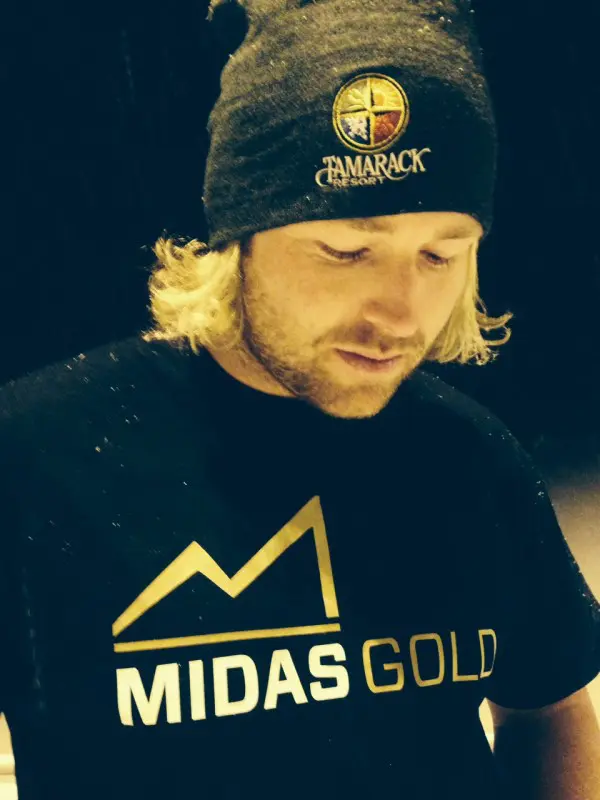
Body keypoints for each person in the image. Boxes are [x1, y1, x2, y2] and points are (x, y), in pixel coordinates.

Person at [1, 1, 599, 799]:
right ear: (238, 237)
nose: (400, 313)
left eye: (438, 255)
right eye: (346, 250)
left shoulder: (472, 456)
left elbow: (549, 709)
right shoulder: (35, 460)